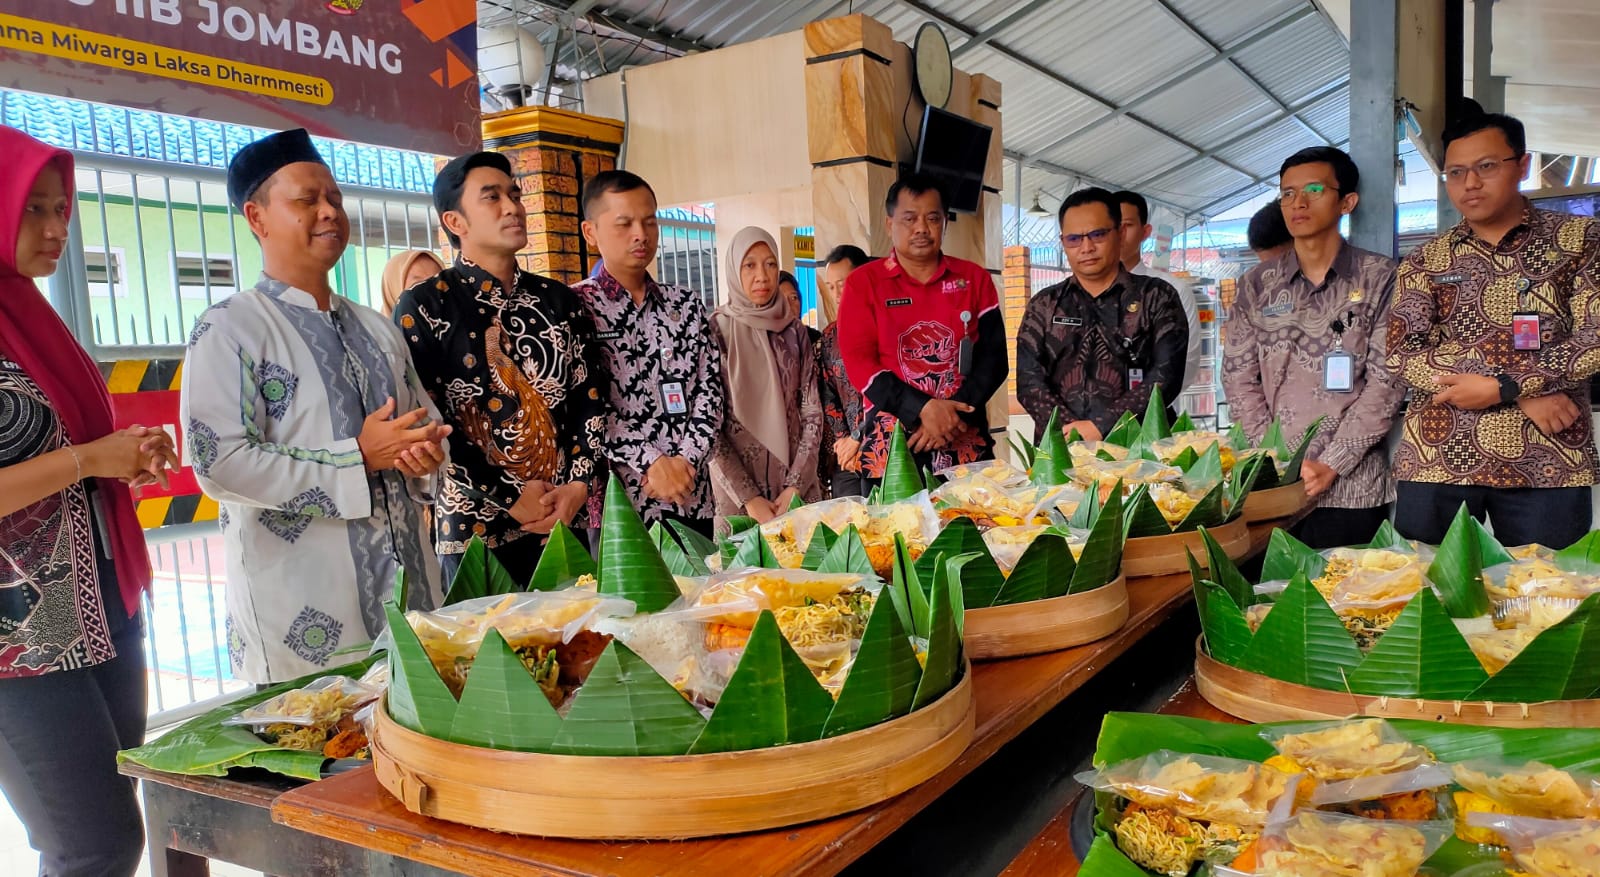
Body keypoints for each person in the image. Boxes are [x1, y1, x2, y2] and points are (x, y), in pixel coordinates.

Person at [183, 128, 448, 684]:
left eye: (334, 199)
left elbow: (422, 425)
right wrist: (357, 457)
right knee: (323, 762)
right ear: (257, 218)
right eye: (307, 200)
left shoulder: (376, 327)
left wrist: (422, 456)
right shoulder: (229, 327)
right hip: (301, 608)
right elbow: (219, 463)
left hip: (410, 595)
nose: (329, 212)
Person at [0, 125, 178, 877]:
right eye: (31, 209)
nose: (54, 229)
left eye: (62, 210)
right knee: (92, 842)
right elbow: (62, 459)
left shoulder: (35, 320)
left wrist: (122, 457)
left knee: (110, 835)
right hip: (20, 641)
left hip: (100, 609)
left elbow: (70, 454)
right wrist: (86, 459)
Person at [1387, 107, 1600, 548]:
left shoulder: (1581, 240)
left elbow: (1594, 337)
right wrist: (1516, 390)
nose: (1470, 183)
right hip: (1438, 452)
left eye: (1486, 166)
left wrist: (1507, 386)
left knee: (1549, 596)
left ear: (1521, 165)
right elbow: (1403, 350)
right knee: (1427, 593)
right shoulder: (1427, 259)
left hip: (1548, 455)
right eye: (1455, 172)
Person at [395, 151, 605, 583]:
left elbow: (590, 400)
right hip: (476, 534)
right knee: (486, 649)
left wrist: (578, 488)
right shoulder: (426, 306)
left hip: (564, 521)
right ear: (456, 222)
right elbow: (430, 423)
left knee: (579, 643)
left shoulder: (559, 302)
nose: (512, 207)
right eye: (492, 197)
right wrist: (511, 497)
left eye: (514, 194)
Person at [1222, 147, 1406, 548]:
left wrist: (1332, 463)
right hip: (1268, 490)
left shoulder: (1382, 278)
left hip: (1351, 489)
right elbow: (1238, 376)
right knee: (1268, 602)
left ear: (1347, 201)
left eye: (1314, 189)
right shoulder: (1257, 284)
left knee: (1347, 602)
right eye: (1287, 193)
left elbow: (1387, 383)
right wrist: (1271, 459)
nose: (1297, 203)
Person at [573, 170, 724, 537]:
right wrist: (652, 462)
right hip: (621, 501)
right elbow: (584, 405)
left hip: (692, 494)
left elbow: (711, 392)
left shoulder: (685, 304)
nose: (640, 234)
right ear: (590, 232)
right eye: (624, 223)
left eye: (649, 222)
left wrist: (685, 461)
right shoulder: (576, 307)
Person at [838, 174, 1008, 477]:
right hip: (890, 449)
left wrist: (950, 416)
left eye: (932, 218)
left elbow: (993, 360)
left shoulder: (974, 278)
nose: (921, 228)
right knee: (893, 525)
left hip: (964, 438)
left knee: (975, 522)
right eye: (909, 218)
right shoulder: (863, 284)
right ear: (890, 224)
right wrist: (923, 409)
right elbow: (860, 363)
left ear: (945, 222)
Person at [1017, 187, 1187, 443]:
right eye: (1074, 238)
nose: (1086, 247)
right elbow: (1029, 382)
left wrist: (1101, 426)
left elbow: (1166, 376)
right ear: (1063, 242)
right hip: (1062, 450)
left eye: (1097, 234)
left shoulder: (1156, 296)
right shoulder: (1044, 304)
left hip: (1141, 450)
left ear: (1119, 234)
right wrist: (1072, 432)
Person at [709, 227, 824, 524]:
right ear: (734, 270)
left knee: (808, 569)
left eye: (770, 264)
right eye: (749, 265)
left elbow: (812, 413)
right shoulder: (714, 332)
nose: (762, 275)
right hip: (740, 502)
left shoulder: (795, 332)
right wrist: (749, 498)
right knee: (744, 571)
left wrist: (795, 485)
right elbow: (708, 426)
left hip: (796, 494)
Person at [1114, 191, 1201, 394]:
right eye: (1111, 226)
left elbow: (1186, 362)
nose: (1118, 233)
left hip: (1151, 416)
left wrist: (1140, 408)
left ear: (1145, 232)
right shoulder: (1080, 294)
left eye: (1127, 225)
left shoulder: (1172, 291)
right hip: (1090, 421)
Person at [818, 244, 872, 497]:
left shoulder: (884, 329)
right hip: (846, 456)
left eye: (843, 283)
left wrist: (859, 437)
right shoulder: (830, 337)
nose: (838, 293)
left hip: (881, 446)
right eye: (831, 287)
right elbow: (828, 393)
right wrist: (843, 442)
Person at [379, 249, 445, 317]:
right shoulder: (376, 327)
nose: (431, 292)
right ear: (393, 289)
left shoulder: (453, 322)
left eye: (437, 282)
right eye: (418, 285)